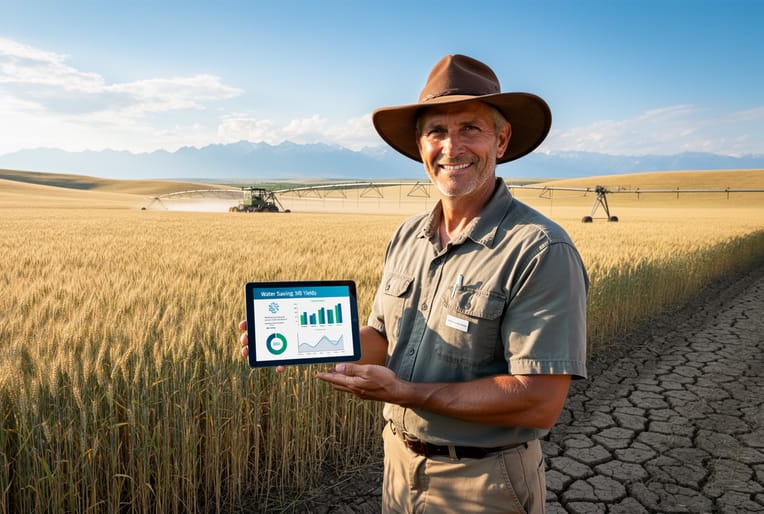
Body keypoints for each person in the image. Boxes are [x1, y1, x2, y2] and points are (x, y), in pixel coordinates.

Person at [241, 54, 587, 513]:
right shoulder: (408, 235)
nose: (451, 147)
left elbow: (538, 401)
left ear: (501, 141)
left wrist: (404, 393)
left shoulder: (539, 249)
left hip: (483, 484)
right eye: (436, 132)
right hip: (399, 468)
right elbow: (384, 339)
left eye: (470, 129)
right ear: (420, 146)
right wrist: (302, 341)